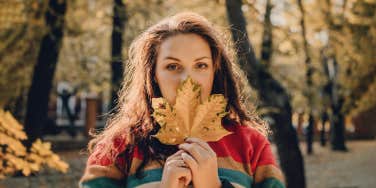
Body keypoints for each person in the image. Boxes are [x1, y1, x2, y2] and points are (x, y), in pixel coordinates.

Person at [80, 12, 285, 188]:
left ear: (215, 71)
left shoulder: (252, 145)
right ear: (153, 75)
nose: (188, 80)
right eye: (172, 66)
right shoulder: (119, 146)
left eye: (201, 65)